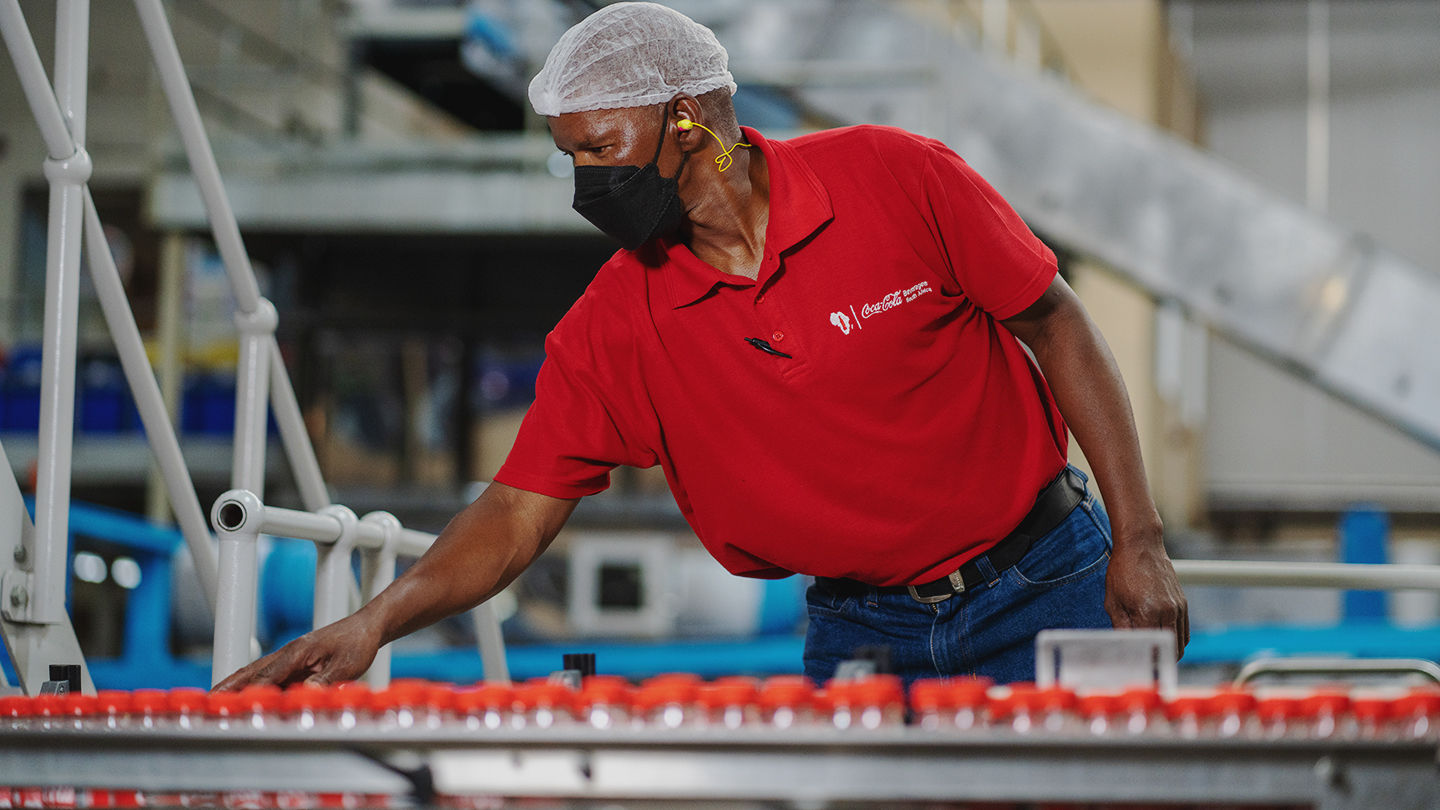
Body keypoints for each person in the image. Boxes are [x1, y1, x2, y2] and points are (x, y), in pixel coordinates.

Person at [217, 2, 1186, 691]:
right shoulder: (618, 323)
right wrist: (375, 621)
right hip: (861, 631)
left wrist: (1139, 538)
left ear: (686, 121)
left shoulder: (897, 180)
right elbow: (514, 516)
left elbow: (1055, 324)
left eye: (598, 150)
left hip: (1044, 586)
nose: (585, 184)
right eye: (570, 158)